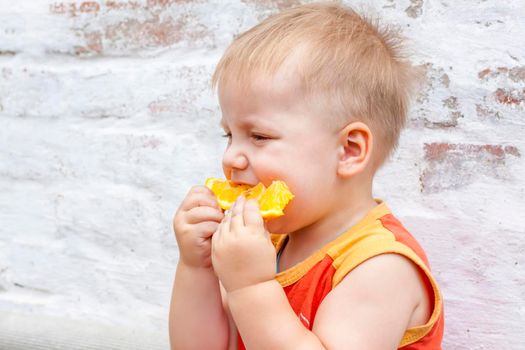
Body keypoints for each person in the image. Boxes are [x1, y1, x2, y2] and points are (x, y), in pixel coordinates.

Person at [169, 2, 444, 349]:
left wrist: (250, 288)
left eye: (259, 136)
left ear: (349, 150)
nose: (231, 157)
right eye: (229, 135)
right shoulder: (264, 244)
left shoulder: (380, 266)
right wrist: (197, 269)